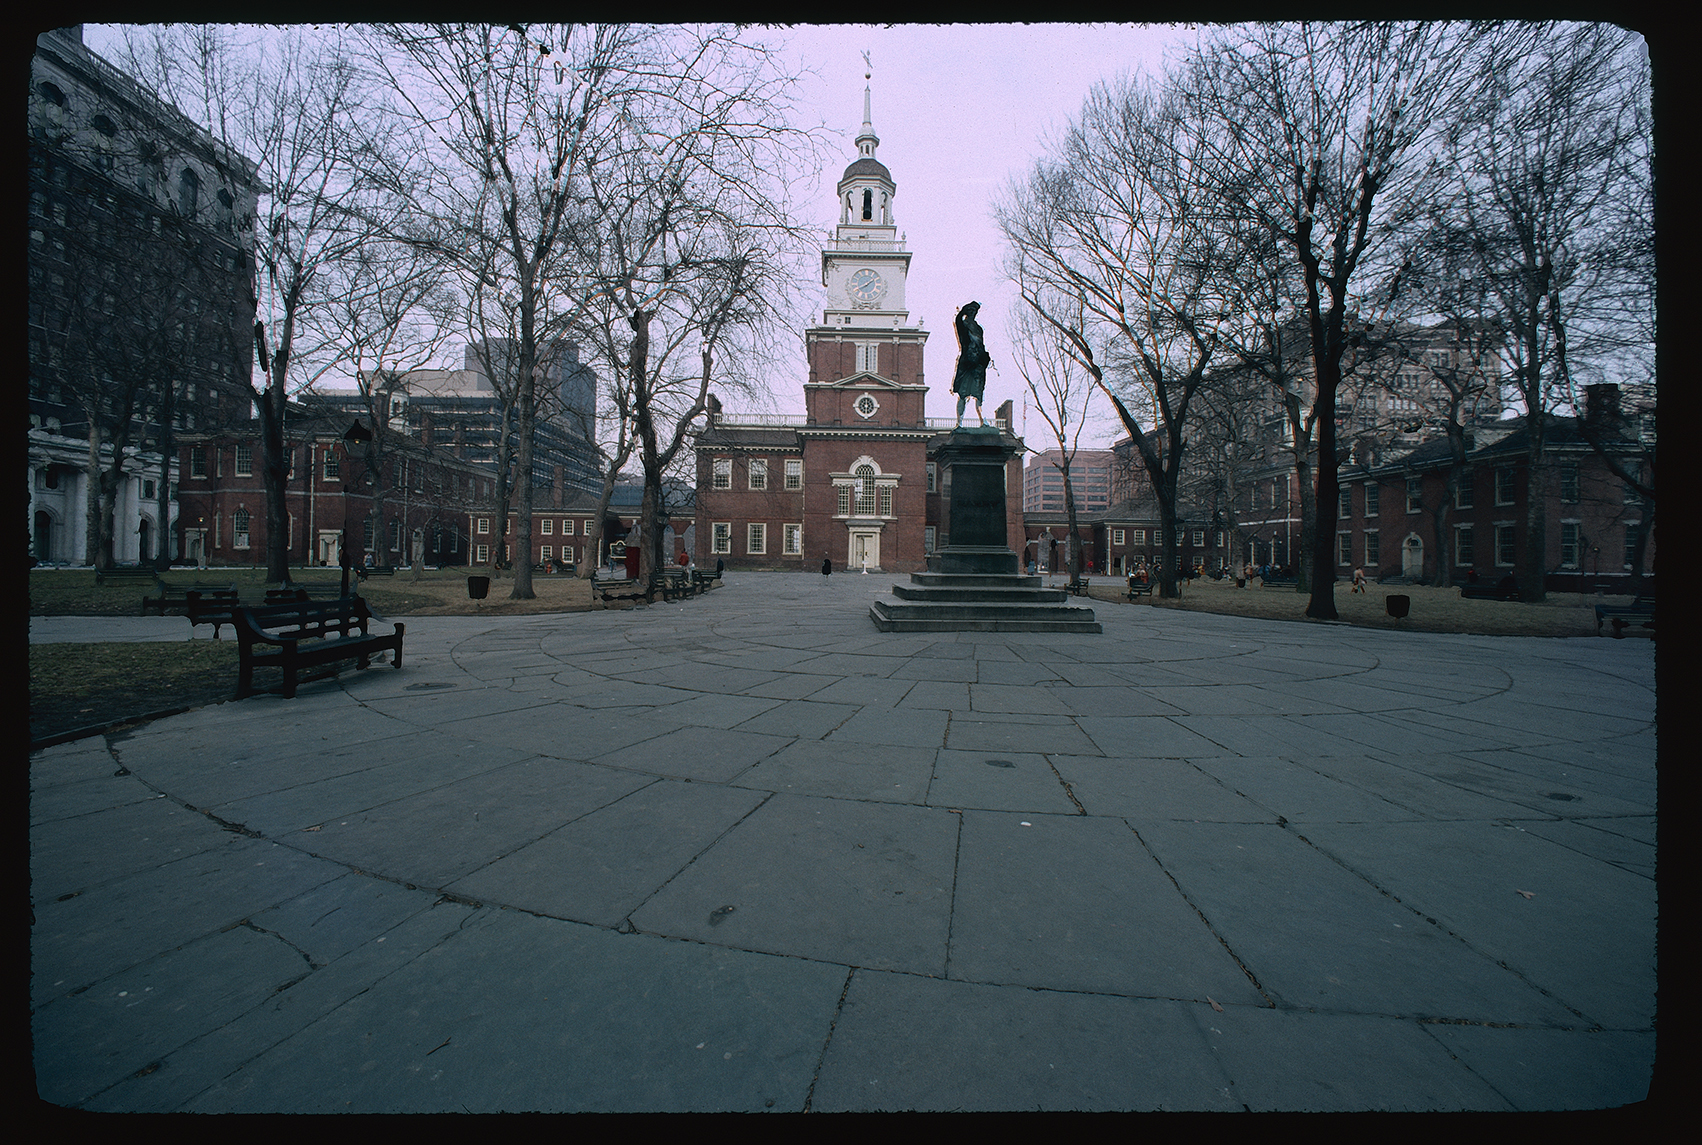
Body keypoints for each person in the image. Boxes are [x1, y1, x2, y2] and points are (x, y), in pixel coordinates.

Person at [951, 301, 992, 427]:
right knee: (963, 394)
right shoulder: (962, 325)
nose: (973, 313)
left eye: (975, 311)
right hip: (967, 364)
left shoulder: (978, 329)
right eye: (970, 311)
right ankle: (960, 423)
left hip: (978, 365)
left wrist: (985, 357)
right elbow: (957, 320)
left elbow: (981, 345)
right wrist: (962, 311)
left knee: (979, 394)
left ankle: (983, 421)